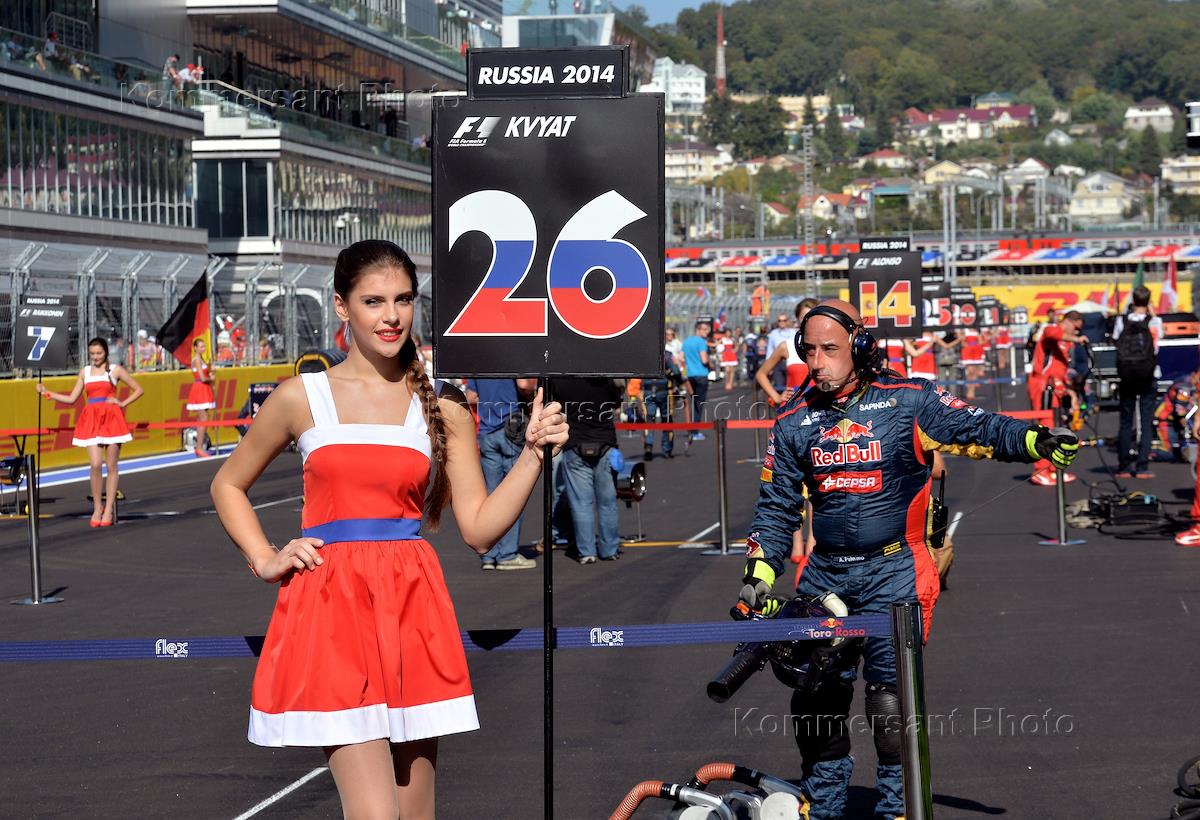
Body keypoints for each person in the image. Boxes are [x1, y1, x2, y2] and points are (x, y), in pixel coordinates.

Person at [210, 240, 567, 819]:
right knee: (377, 815)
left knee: (416, 814)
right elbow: (228, 484)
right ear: (342, 306)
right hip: (331, 612)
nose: (391, 316)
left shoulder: (444, 405)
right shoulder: (301, 397)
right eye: (373, 301)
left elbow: (480, 530)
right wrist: (266, 558)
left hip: (411, 609)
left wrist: (531, 455)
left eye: (403, 299)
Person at [736, 299, 1078, 820]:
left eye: (830, 349)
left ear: (860, 346)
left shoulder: (909, 399)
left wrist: (1037, 440)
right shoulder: (792, 418)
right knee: (815, 700)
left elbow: (979, 426)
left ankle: (899, 809)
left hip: (895, 571)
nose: (817, 362)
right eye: (809, 351)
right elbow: (776, 507)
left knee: (891, 704)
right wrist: (759, 574)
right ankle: (824, 807)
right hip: (825, 574)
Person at [37, 338, 143, 526]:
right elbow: (72, 399)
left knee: (111, 466)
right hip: (91, 419)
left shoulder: (115, 370)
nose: (95, 357)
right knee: (95, 464)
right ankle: (97, 506)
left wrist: (121, 403)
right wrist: (48, 393)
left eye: (99, 353)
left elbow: (138, 389)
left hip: (112, 419)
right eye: (92, 353)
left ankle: (108, 508)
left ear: (105, 353)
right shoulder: (84, 372)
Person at [464, 378, 539, 570]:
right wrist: (532, 391)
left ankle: (489, 554)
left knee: (491, 493)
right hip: (510, 428)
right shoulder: (511, 363)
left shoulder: (478, 367)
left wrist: (489, 398)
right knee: (513, 493)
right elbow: (523, 384)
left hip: (487, 431)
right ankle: (507, 554)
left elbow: (470, 396)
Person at [550, 377, 623, 563]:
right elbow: (617, 403)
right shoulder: (604, 379)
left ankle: (587, 552)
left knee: (581, 504)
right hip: (605, 443)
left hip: (575, 443)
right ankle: (609, 549)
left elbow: (552, 406)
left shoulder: (561, 380)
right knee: (607, 503)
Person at [1027, 309, 1087, 485]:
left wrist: (1071, 393)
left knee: (1057, 428)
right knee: (1045, 428)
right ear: (1068, 322)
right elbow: (1051, 332)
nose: (1077, 332)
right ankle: (1040, 471)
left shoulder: (1066, 343)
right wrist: (1076, 339)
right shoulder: (1052, 330)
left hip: (1056, 387)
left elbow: (1061, 371)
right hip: (1042, 385)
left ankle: (1054, 470)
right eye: (1076, 328)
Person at [1112, 286, 1162, 479]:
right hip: (1149, 374)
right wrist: (1153, 314)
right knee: (1146, 422)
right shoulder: (1154, 321)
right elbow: (1157, 343)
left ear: (1133, 301)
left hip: (1127, 376)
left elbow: (1116, 341)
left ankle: (1124, 466)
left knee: (1125, 421)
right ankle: (1142, 466)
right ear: (1148, 302)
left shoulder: (1121, 320)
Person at [756, 298, 818, 408]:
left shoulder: (829, 347)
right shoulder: (787, 346)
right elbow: (761, 374)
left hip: (823, 409)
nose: (809, 321)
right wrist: (777, 397)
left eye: (813, 317)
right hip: (794, 410)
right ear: (797, 320)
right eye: (804, 317)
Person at [187, 338, 217, 458]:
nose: (203, 349)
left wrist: (212, 372)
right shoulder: (197, 360)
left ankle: (200, 446)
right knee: (203, 418)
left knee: (203, 418)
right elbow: (202, 378)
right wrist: (211, 378)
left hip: (204, 389)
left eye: (204, 346)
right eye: (201, 346)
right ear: (195, 348)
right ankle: (199, 447)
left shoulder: (202, 359)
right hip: (200, 390)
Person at [682, 321, 711, 441]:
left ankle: (691, 428)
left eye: (707, 330)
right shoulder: (702, 342)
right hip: (701, 375)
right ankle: (695, 431)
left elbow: (680, 358)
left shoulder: (686, 342)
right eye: (704, 329)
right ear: (698, 330)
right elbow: (704, 360)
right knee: (699, 404)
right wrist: (710, 362)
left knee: (692, 402)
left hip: (690, 376)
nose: (706, 332)